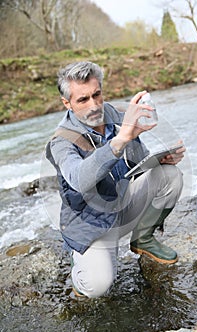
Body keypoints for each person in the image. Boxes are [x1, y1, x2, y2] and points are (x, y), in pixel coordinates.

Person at [46, 61, 185, 298]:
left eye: (97, 95)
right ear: (67, 103)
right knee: (98, 286)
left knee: (170, 175)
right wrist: (120, 140)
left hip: (123, 204)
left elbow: (137, 164)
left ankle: (143, 238)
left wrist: (159, 161)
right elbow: (79, 179)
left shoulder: (115, 115)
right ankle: (78, 266)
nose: (94, 105)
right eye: (83, 100)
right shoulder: (61, 141)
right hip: (93, 224)